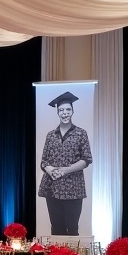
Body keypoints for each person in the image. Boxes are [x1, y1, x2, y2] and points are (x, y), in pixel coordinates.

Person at [38, 90, 92, 236]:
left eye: (68, 109)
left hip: (73, 188)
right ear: (57, 112)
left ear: (72, 111)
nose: (65, 113)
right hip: (52, 187)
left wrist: (64, 170)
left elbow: (86, 159)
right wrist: (50, 170)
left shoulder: (81, 133)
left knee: (72, 228)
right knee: (56, 228)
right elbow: (44, 161)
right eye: (61, 110)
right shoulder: (50, 135)